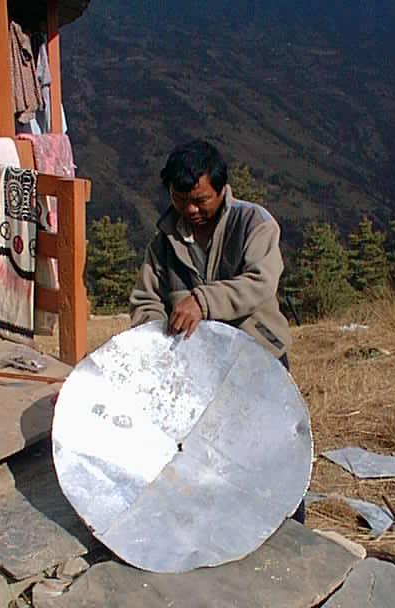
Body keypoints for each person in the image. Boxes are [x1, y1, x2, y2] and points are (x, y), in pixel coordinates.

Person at [129, 139, 305, 523]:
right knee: (216, 455)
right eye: (180, 199)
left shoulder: (254, 223)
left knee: (271, 452)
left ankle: (291, 531)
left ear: (222, 189)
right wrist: (154, 340)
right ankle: (229, 530)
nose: (190, 210)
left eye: (201, 200)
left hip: (258, 356)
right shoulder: (163, 243)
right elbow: (145, 301)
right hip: (197, 370)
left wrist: (202, 301)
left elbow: (259, 283)